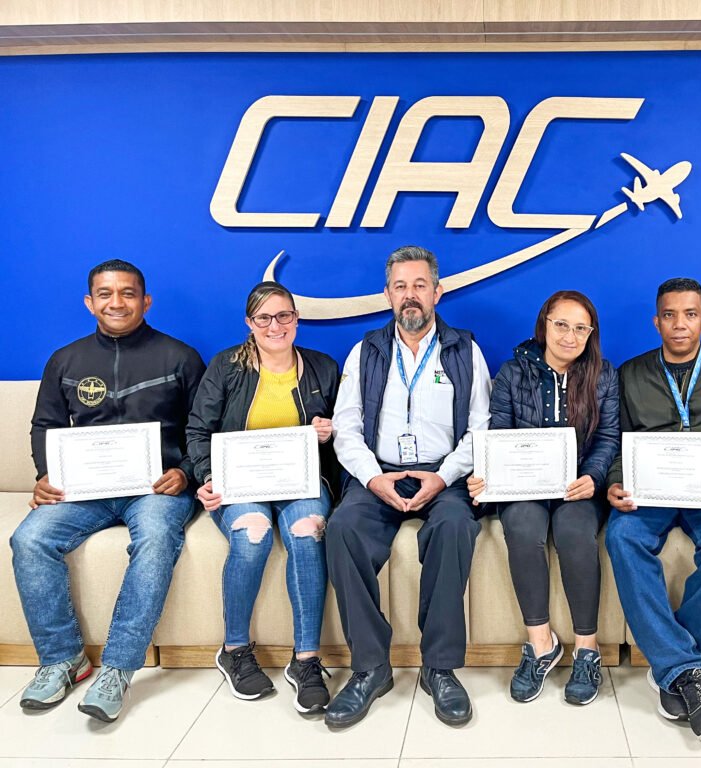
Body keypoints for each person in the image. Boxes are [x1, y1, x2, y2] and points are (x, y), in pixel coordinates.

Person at [12, 259, 204, 722]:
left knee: (157, 539)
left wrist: (186, 473)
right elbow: (46, 425)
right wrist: (46, 474)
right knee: (28, 539)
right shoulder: (66, 360)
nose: (116, 302)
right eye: (105, 294)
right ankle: (62, 659)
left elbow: (204, 428)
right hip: (84, 490)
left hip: (157, 488)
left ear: (146, 300)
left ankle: (117, 669)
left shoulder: (181, 357)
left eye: (127, 293)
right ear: (89, 301)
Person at [325, 245, 491, 728]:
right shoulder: (367, 351)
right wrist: (374, 478)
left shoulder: (464, 350)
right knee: (343, 529)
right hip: (381, 472)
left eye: (420, 285)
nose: (410, 296)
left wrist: (443, 477)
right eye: (400, 286)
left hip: (445, 474)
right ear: (387, 294)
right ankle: (371, 668)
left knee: (456, 527)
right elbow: (346, 426)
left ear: (437, 292)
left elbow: (480, 429)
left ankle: (439, 668)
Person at [605, 277, 701, 740]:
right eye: (669, 315)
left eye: (690, 315)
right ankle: (690, 671)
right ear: (656, 322)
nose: (679, 324)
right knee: (621, 536)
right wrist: (614, 482)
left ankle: (673, 666)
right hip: (650, 490)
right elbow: (616, 444)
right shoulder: (629, 373)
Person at [187, 281, 340, 715]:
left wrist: (330, 433)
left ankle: (306, 660)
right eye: (264, 318)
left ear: (297, 318)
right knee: (252, 531)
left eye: (284, 316)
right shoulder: (226, 367)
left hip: (301, 484)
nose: (276, 326)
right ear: (249, 323)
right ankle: (234, 649)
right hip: (240, 485)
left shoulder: (323, 368)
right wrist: (208, 477)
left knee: (307, 530)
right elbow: (199, 431)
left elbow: (348, 433)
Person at [467, 290, 619, 706]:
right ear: (544, 325)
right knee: (522, 528)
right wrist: (486, 477)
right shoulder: (513, 373)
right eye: (561, 325)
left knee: (574, 535)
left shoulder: (603, 375)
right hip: (525, 488)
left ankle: (588, 650)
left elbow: (607, 437)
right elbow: (497, 435)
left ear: (591, 333)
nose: (570, 336)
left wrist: (593, 476)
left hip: (578, 487)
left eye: (580, 328)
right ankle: (541, 645)